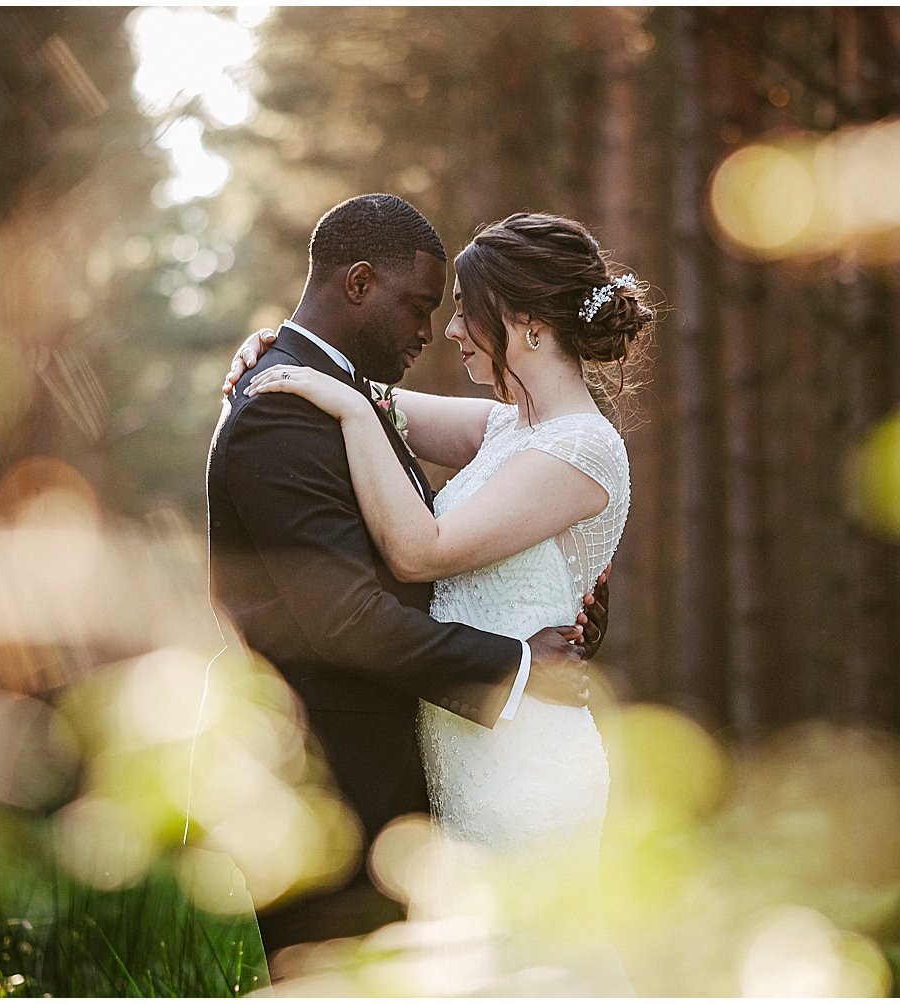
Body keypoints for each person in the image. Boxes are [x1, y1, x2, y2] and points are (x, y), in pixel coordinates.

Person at [225, 210, 654, 991]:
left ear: (522, 322)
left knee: (543, 964)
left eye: (464, 308)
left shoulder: (583, 446)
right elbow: (372, 395)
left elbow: (417, 548)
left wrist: (351, 407)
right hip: (460, 748)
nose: (451, 329)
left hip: (525, 756)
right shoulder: (504, 429)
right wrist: (271, 351)